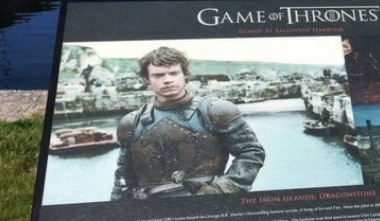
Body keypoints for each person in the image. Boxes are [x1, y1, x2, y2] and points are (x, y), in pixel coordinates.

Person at [111, 47, 265, 200]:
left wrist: (221, 189)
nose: (167, 79)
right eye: (158, 75)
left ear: (185, 75)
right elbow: (123, 177)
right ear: (147, 79)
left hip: (208, 205)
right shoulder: (131, 123)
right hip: (152, 210)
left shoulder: (216, 111)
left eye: (173, 73)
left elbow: (251, 152)